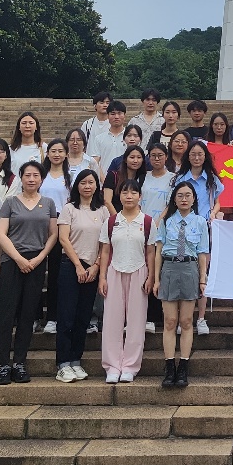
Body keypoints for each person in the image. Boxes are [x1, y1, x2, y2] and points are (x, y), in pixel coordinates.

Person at [0, 162, 58, 385]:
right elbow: (1, 234)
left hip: (36, 262)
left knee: (28, 314)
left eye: (35, 175)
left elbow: (53, 234)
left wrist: (40, 258)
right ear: (21, 177)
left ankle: (19, 362)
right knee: (6, 314)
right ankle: (3, 364)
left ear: (41, 179)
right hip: (12, 261)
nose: (31, 179)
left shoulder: (48, 203)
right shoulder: (10, 202)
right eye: (27, 175)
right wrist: (18, 259)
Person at [150, 181, 211, 388]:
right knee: (169, 321)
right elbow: (158, 251)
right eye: (180, 195)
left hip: (189, 269)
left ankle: (183, 366)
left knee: (185, 321)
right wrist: (156, 279)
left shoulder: (200, 222)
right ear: (174, 200)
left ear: (194, 199)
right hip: (169, 268)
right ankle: (169, 367)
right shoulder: (166, 221)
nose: (184, 199)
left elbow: (202, 253)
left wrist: (202, 278)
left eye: (188, 195)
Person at [54, 168, 108, 382]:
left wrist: (96, 266)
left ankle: (76, 360)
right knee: (66, 316)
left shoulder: (102, 211)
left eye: (91, 182)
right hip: (71, 266)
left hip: (92, 268)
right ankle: (63, 364)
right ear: (77, 185)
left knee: (83, 317)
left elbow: (105, 242)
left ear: (96, 186)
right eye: (83, 182)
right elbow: (63, 239)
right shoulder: (69, 209)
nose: (87, 186)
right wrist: (78, 265)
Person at [98, 179, 152, 383]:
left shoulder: (147, 222)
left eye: (133, 192)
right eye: (125, 192)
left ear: (140, 196)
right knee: (112, 320)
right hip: (114, 271)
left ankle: (130, 366)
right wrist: (102, 277)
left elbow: (151, 251)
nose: (129, 196)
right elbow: (105, 251)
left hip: (139, 271)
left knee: (136, 322)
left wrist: (151, 276)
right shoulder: (111, 221)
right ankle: (112, 366)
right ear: (119, 196)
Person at [173, 140, 225, 333]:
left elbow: (218, 202)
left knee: (203, 273)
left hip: (204, 229)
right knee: (183, 272)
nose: (196, 158)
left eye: (200, 154)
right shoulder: (180, 178)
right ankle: (182, 319)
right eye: (193, 154)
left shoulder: (212, 178)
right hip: (183, 228)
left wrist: (213, 213)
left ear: (205, 157)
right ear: (188, 156)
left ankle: (201, 318)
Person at [38, 139, 72, 334]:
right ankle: (34, 316)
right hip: (39, 223)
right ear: (47, 153)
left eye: (60, 151)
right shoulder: (40, 175)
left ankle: (53, 317)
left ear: (66, 154)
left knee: (56, 273)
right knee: (36, 271)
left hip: (62, 225)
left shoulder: (71, 176)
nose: (57, 154)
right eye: (53, 151)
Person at [139, 143, 174, 330]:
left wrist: (159, 221)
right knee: (145, 269)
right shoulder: (143, 176)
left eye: (160, 155)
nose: (157, 158)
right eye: (153, 155)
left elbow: (171, 203)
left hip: (162, 228)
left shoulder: (172, 178)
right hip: (142, 227)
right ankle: (144, 316)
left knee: (158, 269)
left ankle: (156, 316)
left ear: (166, 156)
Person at [103, 144, 147, 211]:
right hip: (114, 215)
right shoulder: (113, 175)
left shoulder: (143, 179)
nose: (135, 161)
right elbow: (107, 201)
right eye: (132, 157)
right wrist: (117, 217)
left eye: (139, 157)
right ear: (125, 159)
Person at [90, 101, 128, 174]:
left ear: (124, 116)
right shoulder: (99, 138)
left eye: (119, 113)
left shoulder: (130, 138)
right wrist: (103, 179)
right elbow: (95, 162)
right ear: (107, 116)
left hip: (126, 179)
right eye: (113, 114)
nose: (116, 117)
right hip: (104, 179)